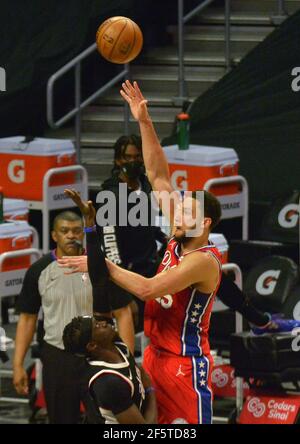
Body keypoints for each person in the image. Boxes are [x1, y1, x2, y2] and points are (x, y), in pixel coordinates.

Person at [13, 210, 134, 424]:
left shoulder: (101, 267)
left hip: (100, 355)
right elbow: (27, 318)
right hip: (57, 357)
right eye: (64, 231)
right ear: (54, 235)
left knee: (105, 420)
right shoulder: (39, 270)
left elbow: (123, 313)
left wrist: (128, 361)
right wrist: (18, 364)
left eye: (77, 230)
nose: (71, 235)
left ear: (84, 234)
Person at [62, 197, 157, 424]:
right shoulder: (107, 382)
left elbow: (99, 280)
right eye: (98, 326)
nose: (104, 322)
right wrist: (151, 390)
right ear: (92, 345)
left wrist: (90, 225)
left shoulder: (112, 344)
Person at [98, 134, 167, 331]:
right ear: (118, 160)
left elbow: (146, 223)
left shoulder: (146, 185)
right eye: (128, 157)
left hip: (150, 267)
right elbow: (109, 244)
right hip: (126, 273)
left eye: (137, 157)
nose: (133, 161)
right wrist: (124, 295)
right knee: (131, 327)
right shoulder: (109, 195)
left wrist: (163, 237)